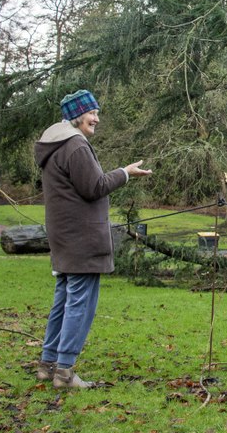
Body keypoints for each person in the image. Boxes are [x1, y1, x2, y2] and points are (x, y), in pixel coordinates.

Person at [32, 89, 152, 389]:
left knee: (63, 301)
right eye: (92, 113)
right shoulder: (75, 145)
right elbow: (94, 187)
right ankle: (64, 372)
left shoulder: (56, 144)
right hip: (81, 239)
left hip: (64, 236)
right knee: (79, 304)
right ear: (77, 116)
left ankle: (48, 364)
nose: (96, 118)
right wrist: (125, 173)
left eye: (97, 113)